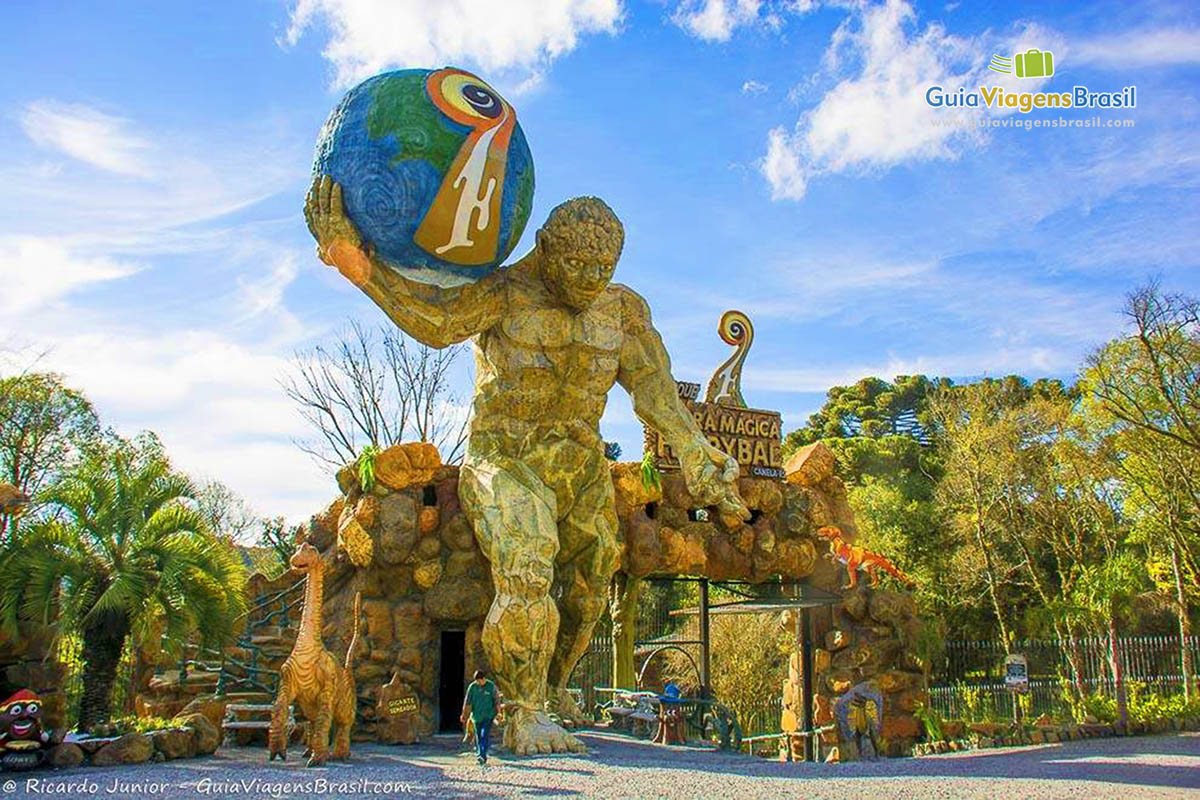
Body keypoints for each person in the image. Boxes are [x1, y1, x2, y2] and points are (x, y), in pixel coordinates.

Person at [307, 177, 748, 755]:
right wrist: (362, 268)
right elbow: (437, 322)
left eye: (603, 266)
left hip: (581, 464)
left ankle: (555, 687)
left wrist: (694, 449)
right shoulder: (505, 292)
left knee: (593, 580)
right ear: (543, 245)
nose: (591, 278)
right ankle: (521, 711)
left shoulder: (623, 311)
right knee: (528, 557)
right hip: (505, 456)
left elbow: (655, 390)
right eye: (576, 263)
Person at [461, 669, 503, 765]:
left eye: (480, 680)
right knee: (478, 736)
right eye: (477, 681)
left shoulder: (491, 686)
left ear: (484, 678)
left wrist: (499, 713)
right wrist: (463, 714)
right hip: (476, 716)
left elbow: (497, 701)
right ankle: (479, 754)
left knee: (484, 734)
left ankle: (482, 756)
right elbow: (467, 701)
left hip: (488, 715)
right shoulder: (472, 687)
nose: (479, 683)